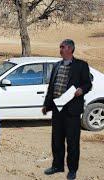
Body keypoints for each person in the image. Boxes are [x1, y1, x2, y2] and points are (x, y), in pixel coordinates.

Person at [42, 39, 92, 180]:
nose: (60, 49)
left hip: (72, 111)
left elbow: (88, 83)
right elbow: (51, 87)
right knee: (56, 140)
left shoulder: (81, 65)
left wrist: (81, 90)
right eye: (60, 47)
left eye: (62, 47)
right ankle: (57, 165)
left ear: (70, 49)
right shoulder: (57, 65)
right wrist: (47, 104)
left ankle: (72, 170)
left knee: (72, 143)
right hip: (57, 110)